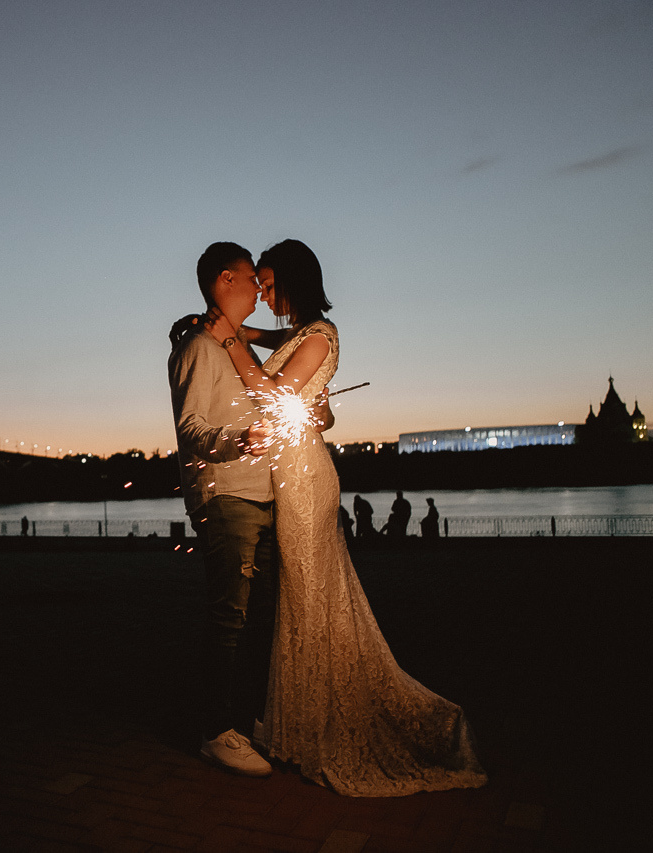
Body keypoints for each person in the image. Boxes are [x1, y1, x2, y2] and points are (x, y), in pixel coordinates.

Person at [204, 239, 485, 796]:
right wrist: (224, 327)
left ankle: (325, 730)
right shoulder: (300, 335)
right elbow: (281, 359)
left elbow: (269, 393)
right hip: (291, 475)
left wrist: (229, 340)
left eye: (266, 282)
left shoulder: (323, 335)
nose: (260, 292)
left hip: (307, 482)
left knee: (311, 598)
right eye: (254, 283)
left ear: (293, 279)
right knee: (300, 601)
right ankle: (299, 723)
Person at [167, 242, 282, 777]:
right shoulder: (196, 347)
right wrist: (240, 440)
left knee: (259, 616)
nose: (260, 289)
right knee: (228, 617)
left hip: (262, 494)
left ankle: (248, 719)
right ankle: (216, 731)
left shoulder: (235, 345)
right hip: (225, 495)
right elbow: (190, 429)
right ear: (224, 279)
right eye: (250, 279)